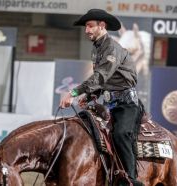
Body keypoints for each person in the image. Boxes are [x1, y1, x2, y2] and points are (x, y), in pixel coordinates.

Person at [60, 9, 144, 186]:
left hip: (126, 104)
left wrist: (74, 93)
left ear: (102, 26)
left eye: (90, 26)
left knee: (121, 134)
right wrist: (90, 96)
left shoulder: (112, 48)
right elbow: (106, 82)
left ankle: (129, 180)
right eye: (86, 27)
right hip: (110, 104)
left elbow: (100, 77)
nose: (87, 30)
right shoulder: (97, 49)